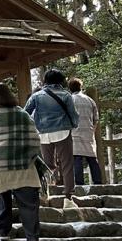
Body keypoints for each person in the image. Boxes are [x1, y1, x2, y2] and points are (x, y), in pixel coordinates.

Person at [0, 81, 44, 241]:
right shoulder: (23, 114)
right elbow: (35, 140)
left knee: (3, 196)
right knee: (29, 205)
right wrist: (30, 156)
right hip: (23, 166)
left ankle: (3, 231)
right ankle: (33, 240)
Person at [24, 69, 79, 197]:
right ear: (60, 81)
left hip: (44, 134)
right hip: (62, 132)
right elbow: (73, 114)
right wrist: (74, 125)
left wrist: (34, 126)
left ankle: (47, 191)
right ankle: (68, 194)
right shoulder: (66, 95)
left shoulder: (36, 96)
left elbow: (25, 112)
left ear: (46, 81)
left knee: (47, 164)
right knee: (66, 163)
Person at [68, 78, 102, 186]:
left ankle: (79, 184)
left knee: (77, 158)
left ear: (70, 88)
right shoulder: (90, 100)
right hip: (88, 133)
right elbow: (96, 119)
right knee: (92, 158)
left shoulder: (70, 100)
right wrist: (92, 130)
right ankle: (98, 182)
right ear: (80, 87)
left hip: (74, 132)